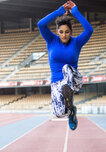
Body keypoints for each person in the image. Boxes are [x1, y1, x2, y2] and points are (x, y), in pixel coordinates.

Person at [38, 0, 93, 130]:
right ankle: (71, 111)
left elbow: (89, 30)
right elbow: (41, 24)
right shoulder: (51, 40)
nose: (64, 35)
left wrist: (76, 12)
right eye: (61, 32)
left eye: (67, 32)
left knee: (66, 68)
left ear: (71, 32)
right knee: (58, 113)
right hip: (57, 82)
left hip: (73, 79)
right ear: (57, 31)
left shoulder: (77, 42)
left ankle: (68, 92)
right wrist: (59, 12)